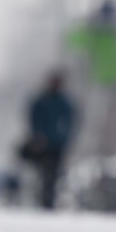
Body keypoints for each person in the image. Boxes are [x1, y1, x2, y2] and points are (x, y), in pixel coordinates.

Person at [24, 73, 78, 210]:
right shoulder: (42, 101)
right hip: (43, 145)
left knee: (53, 174)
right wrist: (37, 136)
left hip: (56, 146)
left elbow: (69, 123)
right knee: (43, 173)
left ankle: (48, 200)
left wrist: (64, 141)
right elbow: (34, 120)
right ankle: (43, 199)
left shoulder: (64, 103)